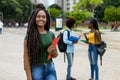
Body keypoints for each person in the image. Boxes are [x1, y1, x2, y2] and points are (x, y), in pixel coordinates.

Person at [23, 3, 58, 80]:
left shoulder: (51, 34)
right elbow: (26, 59)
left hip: (50, 67)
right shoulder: (29, 36)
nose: (41, 19)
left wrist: (52, 52)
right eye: (38, 17)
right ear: (34, 18)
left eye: (43, 17)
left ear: (47, 19)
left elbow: (55, 55)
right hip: (36, 68)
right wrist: (29, 78)